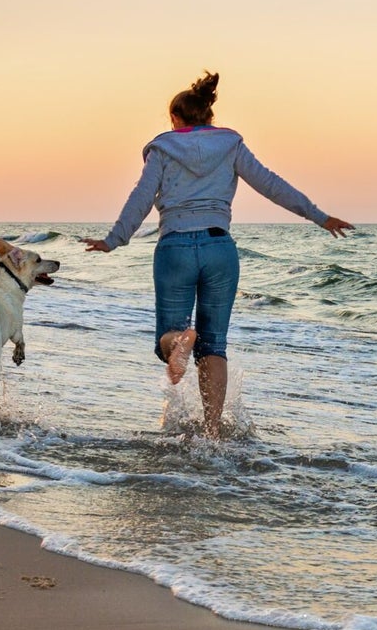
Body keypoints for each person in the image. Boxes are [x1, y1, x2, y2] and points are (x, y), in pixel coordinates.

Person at [83, 71, 353, 438]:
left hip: (176, 246)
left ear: (176, 119)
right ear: (208, 116)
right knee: (214, 344)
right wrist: (319, 217)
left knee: (169, 335)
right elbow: (272, 185)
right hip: (219, 249)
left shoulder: (163, 149)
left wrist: (114, 240)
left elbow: (141, 199)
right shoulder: (230, 145)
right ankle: (212, 431)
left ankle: (177, 342)